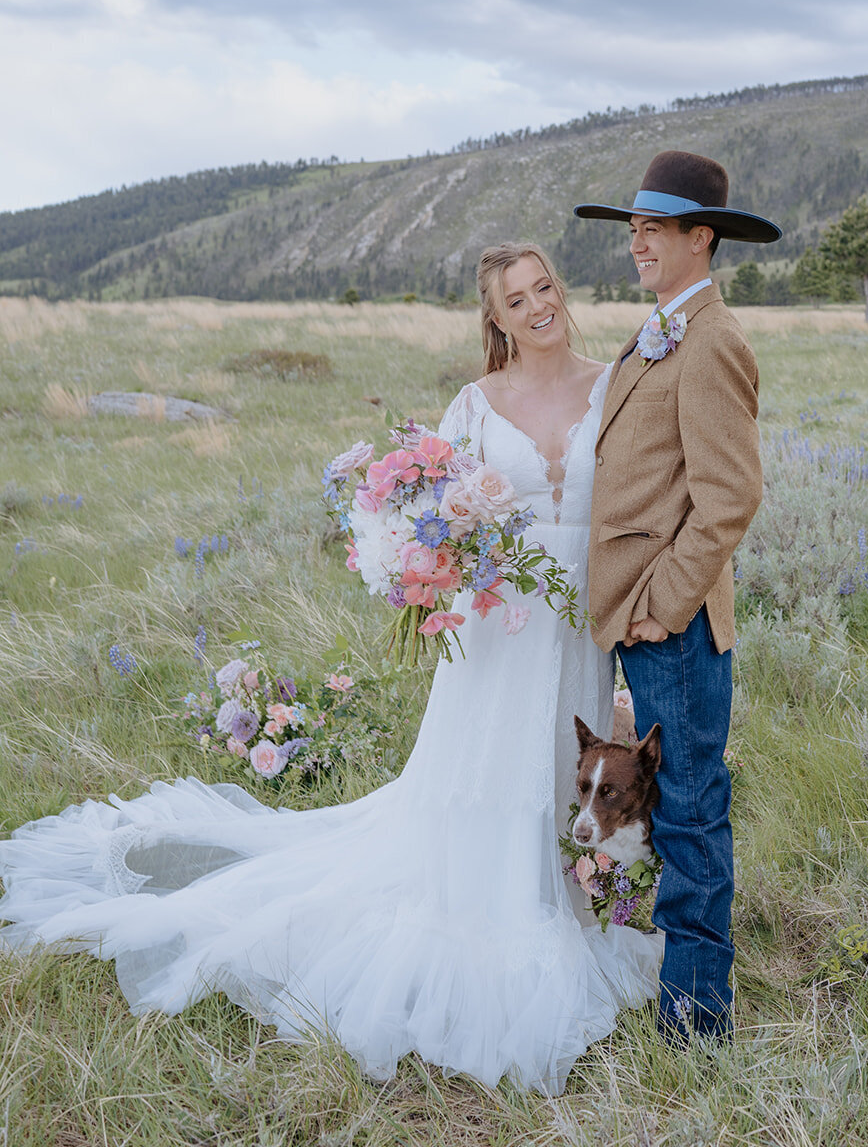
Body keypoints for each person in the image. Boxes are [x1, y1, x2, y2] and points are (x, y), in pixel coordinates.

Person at [0, 242, 661, 1096]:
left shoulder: (611, 385)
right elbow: (422, 513)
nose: (539, 307)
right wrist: (430, 568)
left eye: (546, 288)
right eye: (516, 299)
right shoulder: (474, 403)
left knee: (555, 762)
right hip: (500, 630)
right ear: (493, 317)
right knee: (490, 768)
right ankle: (488, 907)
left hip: (579, 621)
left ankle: (563, 890)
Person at [574, 150, 781, 1042]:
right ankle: (680, 988)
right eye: (633, 229)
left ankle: (696, 1017)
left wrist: (664, 598)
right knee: (680, 806)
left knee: (691, 807)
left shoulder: (714, 340)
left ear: (704, 239)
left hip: (676, 622)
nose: (637, 244)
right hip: (639, 612)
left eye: (654, 229)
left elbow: (730, 494)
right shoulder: (662, 325)